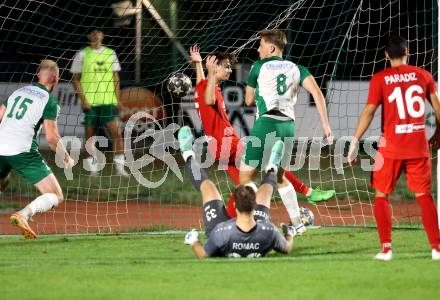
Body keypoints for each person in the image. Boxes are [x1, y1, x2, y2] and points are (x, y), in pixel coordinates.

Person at [189, 45, 334, 222]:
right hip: (228, 144)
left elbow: (200, 86)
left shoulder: (203, 86)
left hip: (221, 147)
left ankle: (226, 220)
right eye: (225, 66)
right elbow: (209, 98)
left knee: (244, 189)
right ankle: (307, 191)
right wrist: (210, 72)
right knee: (269, 161)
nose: (229, 70)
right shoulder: (209, 88)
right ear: (214, 66)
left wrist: (198, 64)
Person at [347, 35, 440, 261]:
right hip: (418, 147)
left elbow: (369, 111)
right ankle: (437, 248)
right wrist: (437, 134)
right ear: (407, 51)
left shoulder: (380, 78)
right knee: (424, 196)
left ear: (386, 55)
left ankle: (386, 249)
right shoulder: (423, 75)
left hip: (391, 148)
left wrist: (354, 141)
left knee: (381, 195)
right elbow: (438, 109)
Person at [239, 29, 333, 229]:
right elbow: (317, 93)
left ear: (271, 47)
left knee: (245, 178)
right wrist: (325, 125)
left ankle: (256, 221)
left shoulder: (258, 67)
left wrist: (261, 94)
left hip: (266, 124)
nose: (258, 50)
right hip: (287, 127)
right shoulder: (298, 68)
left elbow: (248, 100)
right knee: (280, 177)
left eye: (261, 45)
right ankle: (298, 224)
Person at [178, 126, 294, 258]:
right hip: (257, 231)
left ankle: (187, 154)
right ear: (254, 206)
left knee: (207, 186)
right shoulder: (269, 231)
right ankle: (272, 167)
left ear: (234, 207)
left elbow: (203, 254)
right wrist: (289, 234)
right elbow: (287, 247)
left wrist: (193, 241)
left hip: (222, 231)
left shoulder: (220, 232)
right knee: (266, 191)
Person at [0, 59, 74, 239]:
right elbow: (51, 137)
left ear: (38, 74)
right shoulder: (49, 101)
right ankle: (24, 214)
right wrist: (66, 158)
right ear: (56, 79)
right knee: (55, 194)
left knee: (3, 179)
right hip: (23, 151)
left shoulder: (18, 92)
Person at [70, 29, 128, 177]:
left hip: (108, 102)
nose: (96, 36)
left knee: (117, 134)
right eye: (93, 33)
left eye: (99, 33)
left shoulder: (110, 53)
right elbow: (75, 79)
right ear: (88, 36)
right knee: (90, 137)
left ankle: (120, 170)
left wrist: (118, 99)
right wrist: (83, 100)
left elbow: (116, 78)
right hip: (91, 103)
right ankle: (93, 170)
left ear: (103, 35)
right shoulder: (82, 54)